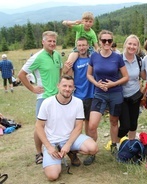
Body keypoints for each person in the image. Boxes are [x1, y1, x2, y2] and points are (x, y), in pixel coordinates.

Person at [36, 75, 98, 181]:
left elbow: (79, 126)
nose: (67, 89)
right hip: (52, 142)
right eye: (64, 86)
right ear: (58, 86)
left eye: (70, 86)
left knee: (93, 148)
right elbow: (39, 126)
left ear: (74, 88)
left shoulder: (78, 102)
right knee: (52, 176)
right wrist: (49, 147)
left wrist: (68, 145)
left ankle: (70, 152)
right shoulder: (47, 103)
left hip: (70, 139)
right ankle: (56, 156)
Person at [18, 31, 62, 165]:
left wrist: (59, 83)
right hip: (43, 97)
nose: (52, 43)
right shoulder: (37, 57)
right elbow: (21, 75)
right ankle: (39, 153)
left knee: (57, 124)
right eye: (49, 41)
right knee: (40, 127)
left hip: (57, 96)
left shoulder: (57, 55)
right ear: (43, 42)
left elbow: (59, 69)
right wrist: (33, 89)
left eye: (54, 41)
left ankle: (56, 147)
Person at [87, 30, 129, 154]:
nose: (106, 42)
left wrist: (112, 84)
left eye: (109, 40)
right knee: (92, 125)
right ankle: (92, 149)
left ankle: (114, 145)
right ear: (99, 41)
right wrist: (96, 83)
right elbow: (89, 74)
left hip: (115, 93)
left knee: (114, 121)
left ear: (112, 42)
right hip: (99, 93)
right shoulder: (94, 56)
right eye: (104, 40)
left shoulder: (117, 57)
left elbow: (126, 77)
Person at [63, 37, 96, 165]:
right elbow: (67, 75)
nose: (82, 47)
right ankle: (74, 152)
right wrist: (66, 67)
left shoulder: (93, 58)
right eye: (79, 45)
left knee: (90, 127)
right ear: (77, 47)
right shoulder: (74, 60)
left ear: (88, 46)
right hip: (77, 97)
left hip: (91, 96)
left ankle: (92, 152)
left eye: (84, 45)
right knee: (75, 126)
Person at [118, 34, 143, 140]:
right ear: (125, 44)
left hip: (135, 96)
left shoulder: (139, 60)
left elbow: (143, 75)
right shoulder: (118, 59)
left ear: (138, 47)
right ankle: (116, 143)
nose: (132, 47)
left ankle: (131, 145)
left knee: (133, 124)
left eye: (135, 45)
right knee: (125, 126)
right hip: (121, 96)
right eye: (130, 44)